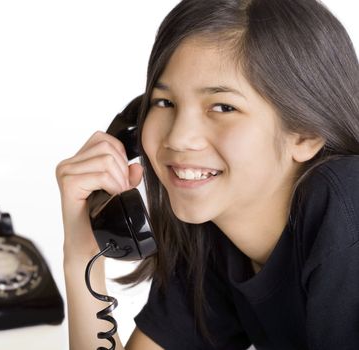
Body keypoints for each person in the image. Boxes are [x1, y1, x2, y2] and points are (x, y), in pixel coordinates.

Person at [55, 0, 359, 349]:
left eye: (223, 107)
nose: (178, 137)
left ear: (305, 133)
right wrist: (81, 257)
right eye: (164, 103)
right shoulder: (214, 237)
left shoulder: (348, 202)